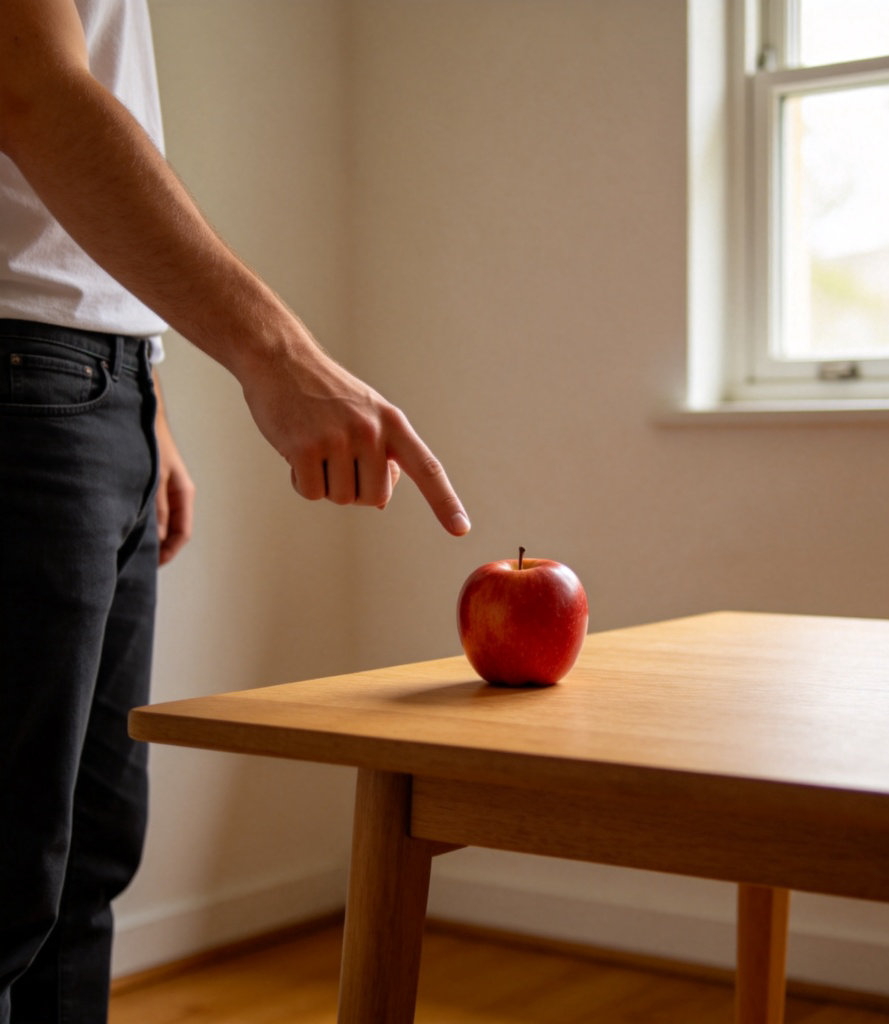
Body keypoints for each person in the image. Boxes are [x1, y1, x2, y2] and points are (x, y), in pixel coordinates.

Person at [0, 1, 471, 1020]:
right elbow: (29, 84)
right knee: (4, 879)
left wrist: (145, 403)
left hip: (91, 388)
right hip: (21, 385)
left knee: (87, 866)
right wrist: (276, 352)